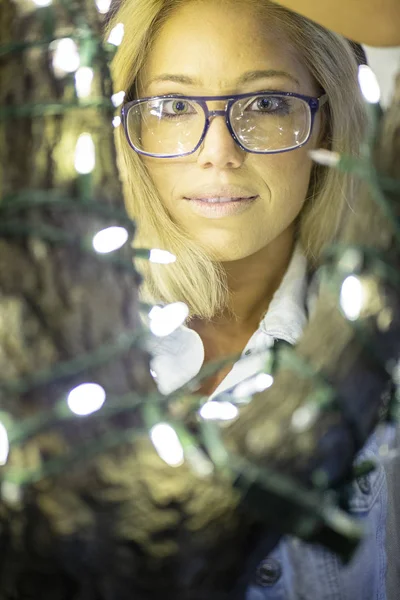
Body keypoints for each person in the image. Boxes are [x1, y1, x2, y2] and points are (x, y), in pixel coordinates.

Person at [107, 0, 388, 597]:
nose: (218, 152)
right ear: (128, 130)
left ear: (329, 119)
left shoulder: (379, 341)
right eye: (174, 106)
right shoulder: (55, 348)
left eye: (264, 103)